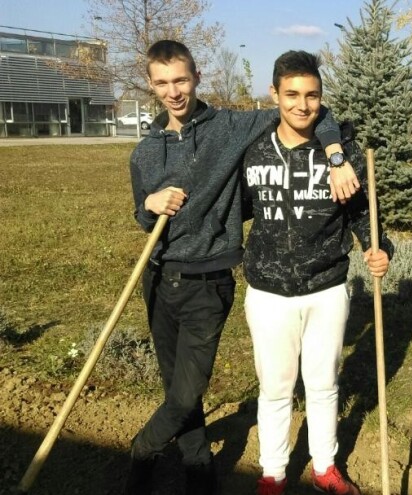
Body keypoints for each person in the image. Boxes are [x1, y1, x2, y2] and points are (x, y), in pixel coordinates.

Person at [126, 40, 358, 495]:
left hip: (210, 278)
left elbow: (312, 110)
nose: (174, 92)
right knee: (178, 390)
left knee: (185, 393)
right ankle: (198, 470)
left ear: (196, 78)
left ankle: (140, 452)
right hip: (158, 278)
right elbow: (142, 215)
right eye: (163, 83)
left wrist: (334, 156)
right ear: (151, 87)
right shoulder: (146, 151)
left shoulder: (231, 127)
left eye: (182, 80)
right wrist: (148, 205)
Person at [241, 50, 393, 495]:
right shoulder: (251, 150)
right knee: (275, 388)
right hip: (268, 291)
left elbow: (363, 212)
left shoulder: (339, 151)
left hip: (326, 287)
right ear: (274, 93)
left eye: (311, 95)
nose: (302, 105)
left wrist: (377, 247)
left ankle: (325, 467)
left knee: (324, 382)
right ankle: (272, 474)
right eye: (291, 94)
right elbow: (236, 206)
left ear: (321, 97)